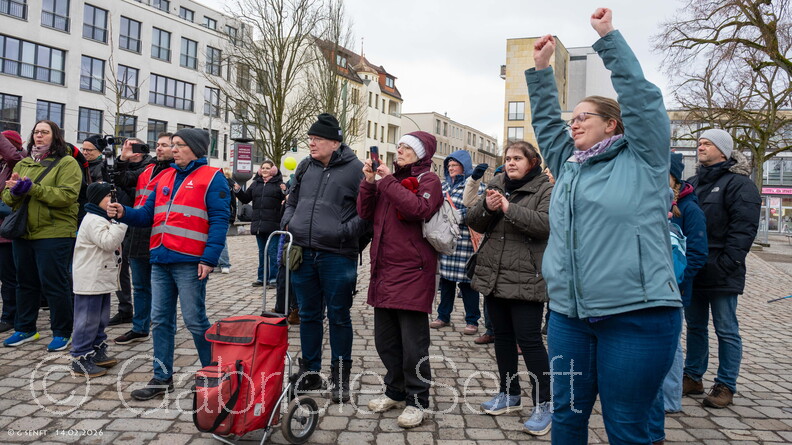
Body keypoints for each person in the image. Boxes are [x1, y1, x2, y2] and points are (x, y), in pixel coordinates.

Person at [526, 9, 682, 444]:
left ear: (612, 124)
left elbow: (643, 98)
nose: (572, 122)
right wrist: (540, 72)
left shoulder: (645, 158)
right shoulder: (569, 165)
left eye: (584, 116)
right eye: (571, 117)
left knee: (626, 425)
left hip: (637, 315)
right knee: (568, 416)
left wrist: (608, 38)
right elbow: (545, 125)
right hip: (569, 317)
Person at [107, 128, 230, 400]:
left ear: (196, 148)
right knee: (161, 321)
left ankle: (213, 374)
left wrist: (210, 259)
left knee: (195, 321)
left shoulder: (212, 178)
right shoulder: (164, 176)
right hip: (160, 259)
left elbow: (221, 222)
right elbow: (147, 215)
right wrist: (124, 212)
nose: (173, 149)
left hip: (190, 262)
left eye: (179, 145)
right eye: (172, 144)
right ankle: (162, 378)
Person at [467, 141, 554, 435]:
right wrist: (488, 209)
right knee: (502, 338)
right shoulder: (496, 182)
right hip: (494, 274)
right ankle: (509, 394)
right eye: (508, 158)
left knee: (529, 342)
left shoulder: (545, 188)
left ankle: (545, 403)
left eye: (518, 158)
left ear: (532, 161)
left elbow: (545, 225)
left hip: (527, 276)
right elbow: (473, 221)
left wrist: (508, 207)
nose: (512, 162)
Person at [358, 131, 443, 428]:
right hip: (385, 269)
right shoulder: (387, 179)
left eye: (407, 147)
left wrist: (386, 181)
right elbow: (364, 212)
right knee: (387, 341)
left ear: (421, 153)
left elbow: (419, 208)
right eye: (400, 146)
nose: (400, 150)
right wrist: (369, 183)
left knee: (413, 345)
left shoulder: (429, 180)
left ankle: (418, 400)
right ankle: (395, 391)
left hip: (413, 272)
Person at [281, 113, 367, 404]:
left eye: (317, 139)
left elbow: (367, 212)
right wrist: (289, 222)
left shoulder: (356, 169)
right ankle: (310, 373)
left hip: (338, 256)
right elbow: (292, 199)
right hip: (303, 251)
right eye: (310, 138)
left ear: (334, 142)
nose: (311, 143)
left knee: (339, 317)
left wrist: (343, 232)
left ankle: (340, 378)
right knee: (307, 314)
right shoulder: (305, 165)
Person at [683, 129, 761, 408]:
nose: (700, 146)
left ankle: (726, 384)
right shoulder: (692, 182)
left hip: (723, 269)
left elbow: (744, 229)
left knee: (726, 329)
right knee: (694, 326)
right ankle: (692, 376)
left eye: (707, 143)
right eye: (699, 142)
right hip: (695, 268)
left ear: (723, 150)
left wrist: (728, 262)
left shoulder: (740, 184)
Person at [2, 120, 82, 352]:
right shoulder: (24, 162)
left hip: (54, 232)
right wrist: (14, 191)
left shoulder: (67, 163)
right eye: (36, 132)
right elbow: (8, 199)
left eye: (44, 132)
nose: (39, 136)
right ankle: (25, 328)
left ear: (55, 136)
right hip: (24, 232)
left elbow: (67, 196)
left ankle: (62, 332)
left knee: (54, 284)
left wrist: (31, 188)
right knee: (24, 283)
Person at [648, 153, 709, 443]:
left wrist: (676, 281)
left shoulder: (689, 208)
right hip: (650, 288)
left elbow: (697, 253)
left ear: (671, 176)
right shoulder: (651, 199)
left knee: (670, 347)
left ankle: (671, 398)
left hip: (674, 288)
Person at [113, 132, 173, 346]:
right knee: (140, 286)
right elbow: (121, 179)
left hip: (161, 235)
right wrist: (123, 159)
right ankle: (140, 328)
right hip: (138, 234)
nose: (159, 148)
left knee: (160, 288)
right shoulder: (147, 169)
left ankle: (162, 325)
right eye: (158, 144)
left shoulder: (176, 172)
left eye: (164, 145)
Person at [70, 182, 127, 378]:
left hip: (100, 279)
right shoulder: (93, 220)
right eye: (109, 198)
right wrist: (121, 223)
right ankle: (81, 357)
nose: (114, 201)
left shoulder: (101, 218)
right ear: (97, 199)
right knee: (87, 320)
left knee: (100, 318)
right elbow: (108, 243)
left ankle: (96, 350)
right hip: (90, 280)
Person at [431, 150, 485, 335]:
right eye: (449, 165)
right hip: (446, 240)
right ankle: (442, 316)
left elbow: (476, 211)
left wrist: (454, 217)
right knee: (446, 281)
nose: (451, 168)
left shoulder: (476, 186)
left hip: (465, 242)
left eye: (454, 165)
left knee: (467, 283)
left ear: (464, 166)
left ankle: (472, 320)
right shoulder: (444, 186)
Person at [106, 137, 145, 326]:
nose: (127, 150)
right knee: (119, 266)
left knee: (140, 273)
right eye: (124, 147)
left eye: (131, 147)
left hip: (139, 222)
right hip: (118, 220)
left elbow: (129, 183)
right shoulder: (120, 165)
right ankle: (125, 308)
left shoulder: (150, 166)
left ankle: (145, 312)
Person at [233, 160, 286, 286]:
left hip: (274, 224)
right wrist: (238, 191)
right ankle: (261, 278)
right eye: (263, 168)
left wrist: (285, 191)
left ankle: (273, 278)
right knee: (262, 252)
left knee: (272, 252)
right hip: (259, 224)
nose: (265, 170)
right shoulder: (255, 184)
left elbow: (287, 199)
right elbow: (246, 199)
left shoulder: (279, 184)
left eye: (268, 168)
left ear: (273, 170)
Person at [0, 130, 25, 333]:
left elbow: (12, 156)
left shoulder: (17, 162)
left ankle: (10, 316)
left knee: (10, 278)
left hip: (8, 231)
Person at [217, 168, 238, 274]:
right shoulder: (230, 185)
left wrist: (232, 217)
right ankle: (218, 263)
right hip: (223, 215)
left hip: (225, 216)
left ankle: (224, 263)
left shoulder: (229, 186)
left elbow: (233, 203)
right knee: (217, 239)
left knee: (221, 239)